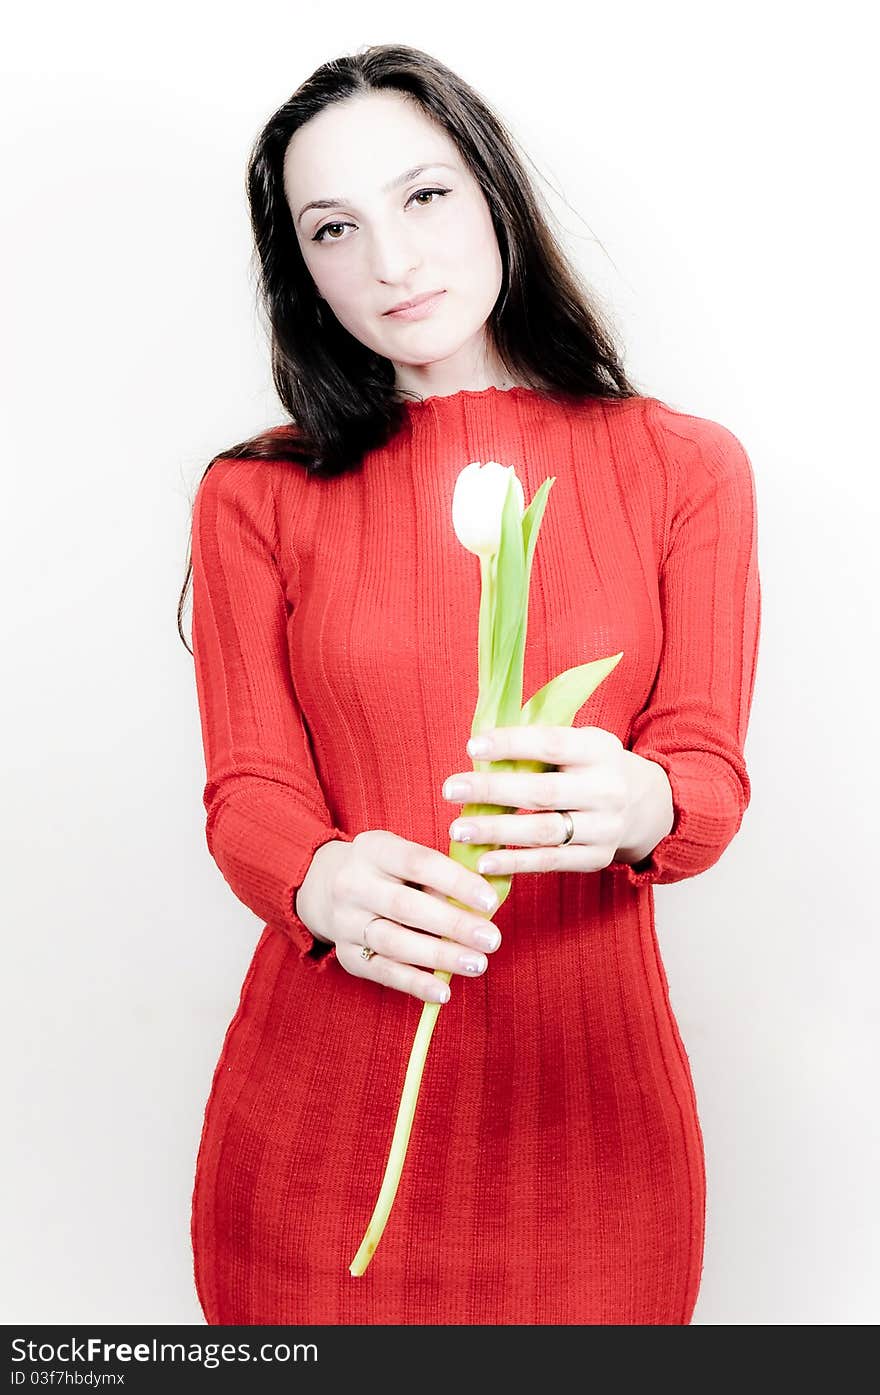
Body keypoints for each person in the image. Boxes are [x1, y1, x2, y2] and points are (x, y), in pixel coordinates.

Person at [178, 42, 761, 1326]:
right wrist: (317, 880)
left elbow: (707, 775)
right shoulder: (255, 496)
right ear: (300, 266)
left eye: (424, 198)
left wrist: (643, 802)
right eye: (334, 227)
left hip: (595, 1147)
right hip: (317, 1147)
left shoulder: (685, 468)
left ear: (494, 194)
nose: (389, 261)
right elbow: (250, 792)